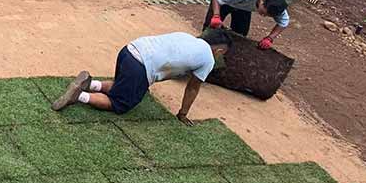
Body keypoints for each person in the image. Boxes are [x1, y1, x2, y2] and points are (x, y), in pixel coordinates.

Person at [54, 28, 233, 122]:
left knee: (122, 84)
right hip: (141, 66)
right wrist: (182, 113)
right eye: (221, 54)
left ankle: (91, 84)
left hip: (129, 50)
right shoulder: (208, 59)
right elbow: (193, 88)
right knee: (120, 104)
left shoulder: (187, 37)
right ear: (218, 50)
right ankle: (80, 96)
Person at [205, 0, 290, 50]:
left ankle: (230, 52)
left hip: (244, 2)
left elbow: (283, 22)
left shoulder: (277, 5)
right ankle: (205, 47)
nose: (262, 16)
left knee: (240, 33)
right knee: (211, 27)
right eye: (263, 12)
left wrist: (270, 38)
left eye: (266, 15)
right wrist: (216, 15)